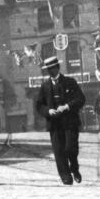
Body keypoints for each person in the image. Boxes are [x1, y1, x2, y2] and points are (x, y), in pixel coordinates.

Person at [34, 55, 85, 185]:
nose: (50, 72)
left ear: (58, 67)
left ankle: (74, 168)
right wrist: (48, 111)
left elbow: (80, 99)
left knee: (70, 149)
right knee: (58, 152)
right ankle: (65, 176)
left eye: (52, 68)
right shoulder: (45, 86)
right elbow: (39, 105)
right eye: (48, 70)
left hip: (70, 123)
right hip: (54, 124)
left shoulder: (70, 82)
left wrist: (67, 106)